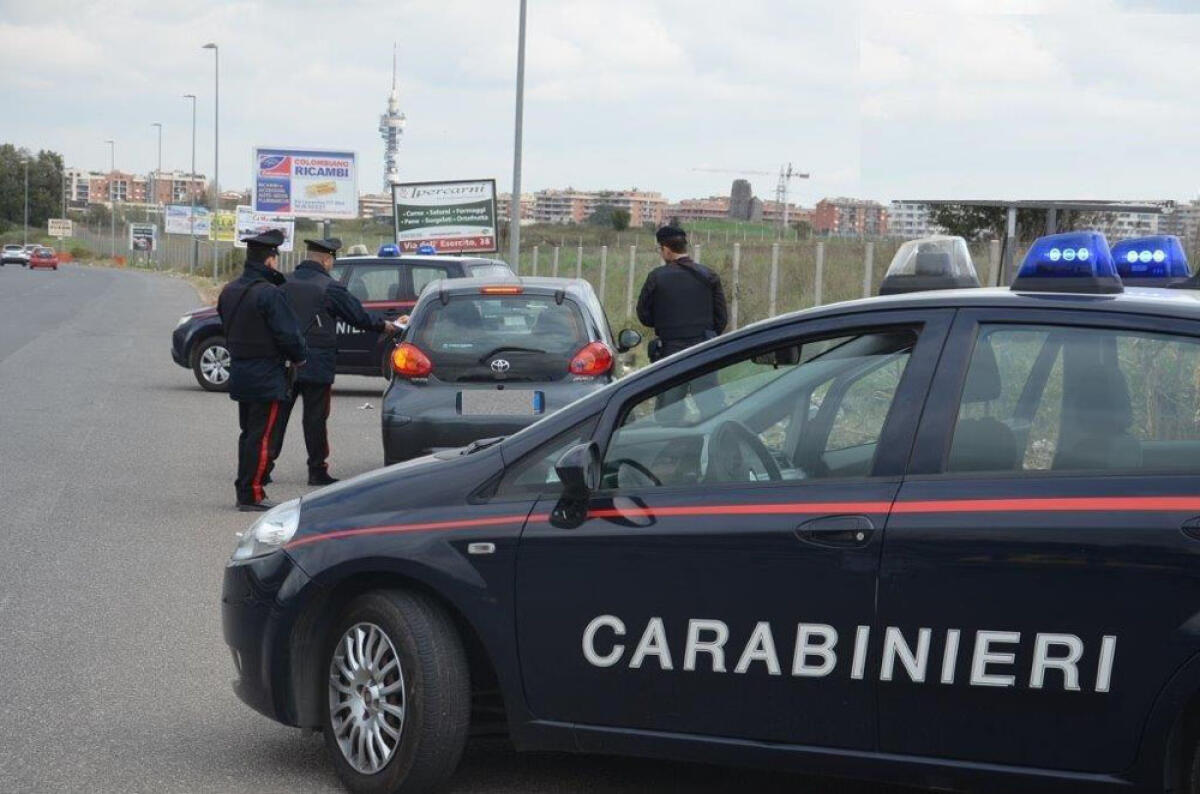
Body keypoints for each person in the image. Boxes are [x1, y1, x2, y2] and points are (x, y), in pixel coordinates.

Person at [267, 238, 401, 486]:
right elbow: (357, 316)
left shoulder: (281, 283)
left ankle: (264, 467)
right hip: (316, 364)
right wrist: (384, 325)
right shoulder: (329, 287)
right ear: (327, 260)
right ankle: (316, 470)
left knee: (277, 418)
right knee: (315, 419)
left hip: (283, 363)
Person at [217, 229, 307, 511]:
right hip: (267, 374)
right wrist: (299, 357)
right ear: (270, 260)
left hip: (241, 371)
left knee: (248, 434)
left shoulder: (229, 290)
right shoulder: (269, 294)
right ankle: (251, 494)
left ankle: (245, 488)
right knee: (262, 436)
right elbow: (288, 335)